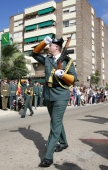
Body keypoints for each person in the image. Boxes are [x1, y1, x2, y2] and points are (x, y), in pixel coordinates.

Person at [31, 35, 77, 167]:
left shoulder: (67, 61)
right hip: (49, 95)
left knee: (54, 125)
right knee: (56, 121)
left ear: (56, 47)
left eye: (50, 45)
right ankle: (63, 143)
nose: (48, 47)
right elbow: (34, 53)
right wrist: (43, 42)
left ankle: (48, 156)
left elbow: (73, 79)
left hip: (61, 95)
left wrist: (63, 75)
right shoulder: (47, 60)